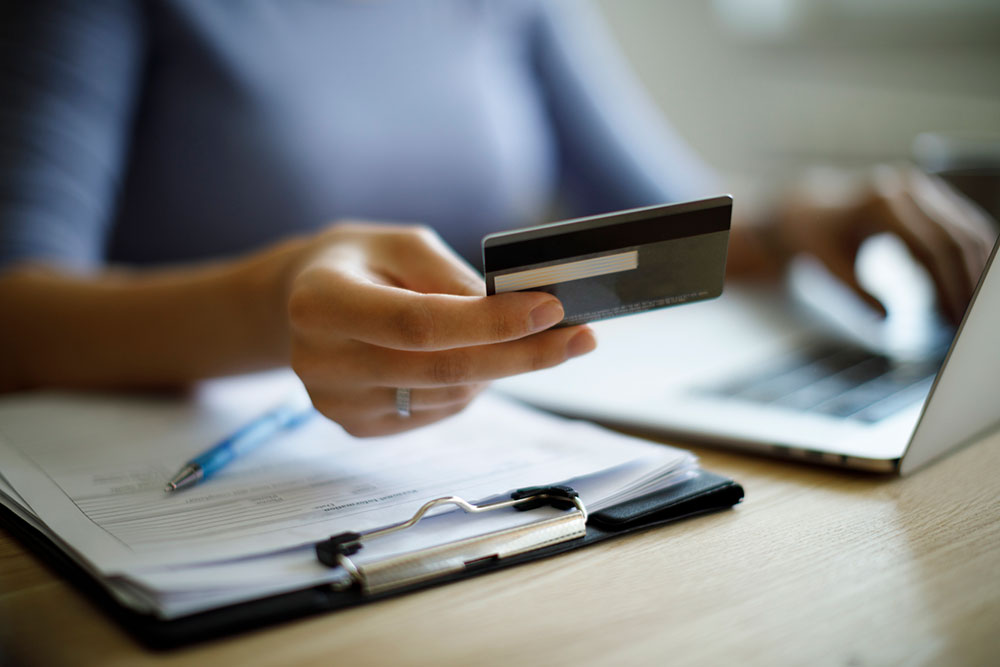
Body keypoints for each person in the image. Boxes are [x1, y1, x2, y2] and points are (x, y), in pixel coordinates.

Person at [0, 1, 994, 437]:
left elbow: (646, 221)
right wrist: (275, 303)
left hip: (489, 463)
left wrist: (793, 220)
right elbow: (18, 311)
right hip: (201, 474)